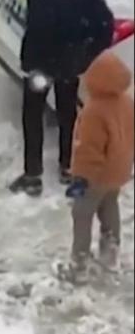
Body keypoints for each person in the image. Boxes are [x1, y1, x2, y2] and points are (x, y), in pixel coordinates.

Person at [9, 0, 114, 197]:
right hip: (71, 63)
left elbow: (36, 32)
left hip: (41, 66)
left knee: (33, 114)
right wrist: (88, 55)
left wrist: (28, 63)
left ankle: (33, 174)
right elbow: (104, 23)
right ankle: (68, 165)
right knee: (68, 113)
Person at [58, 51, 133, 282]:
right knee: (109, 207)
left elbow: (88, 149)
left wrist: (81, 178)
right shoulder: (127, 103)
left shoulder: (94, 111)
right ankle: (110, 253)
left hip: (96, 175)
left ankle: (79, 264)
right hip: (118, 170)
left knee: (82, 214)